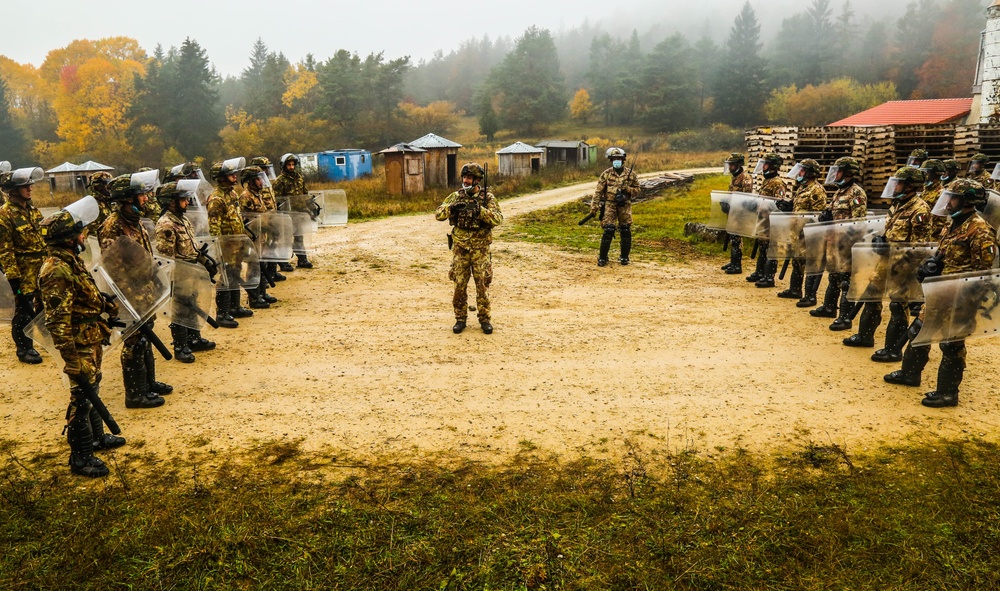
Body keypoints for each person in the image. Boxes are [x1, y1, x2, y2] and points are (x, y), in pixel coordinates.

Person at [884, 179, 998, 407]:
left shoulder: (980, 230)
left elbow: (982, 273)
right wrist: (930, 267)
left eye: (953, 198)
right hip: (941, 290)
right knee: (918, 331)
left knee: (951, 344)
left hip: (961, 295)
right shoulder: (952, 223)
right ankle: (910, 374)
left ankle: (948, 393)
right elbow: (943, 254)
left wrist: (968, 301)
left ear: (967, 201)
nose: (947, 201)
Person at [38, 206, 125, 477]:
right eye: (79, 232)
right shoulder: (56, 269)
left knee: (93, 389)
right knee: (81, 398)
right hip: (77, 342)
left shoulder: (70, 261)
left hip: (90, 336)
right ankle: (81, 456)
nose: (83, 236)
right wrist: (70, 358)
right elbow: (57, 320)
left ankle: (97, 439)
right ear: (68, 237)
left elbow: (84, 294)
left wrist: (104, 304)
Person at [99, 172, 169, 409]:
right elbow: (113, 270)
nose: (146, 199)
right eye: (141, 195)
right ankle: (135, 394)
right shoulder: (111, 227)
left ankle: (148, 383)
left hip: (144, 292)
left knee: (146, 338)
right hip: (130, 297)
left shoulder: (134, 221)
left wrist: (155, 279)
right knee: (134, 342)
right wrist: (130, 302)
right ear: (128, 199)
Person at [843, 166, 933, 350]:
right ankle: (865, 337)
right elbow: (893, 233)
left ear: (910, 186)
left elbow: (919, 248)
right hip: (884, 263)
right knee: (871, 297)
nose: (895, 186)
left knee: (898, 306)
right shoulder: (897, 204)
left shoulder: (920, 210)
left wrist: (893, 253)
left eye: (899, 183)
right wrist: (881, 240)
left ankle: (892, 349)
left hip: (902, 266)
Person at [435, 162, 503, 334]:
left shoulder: (488, 198)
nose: (465, 180)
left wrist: (480, 211)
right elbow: (438, 214)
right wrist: (451, 209)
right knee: (459, 285)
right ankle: (460, 318)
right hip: (460, 248)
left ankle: (485, 319)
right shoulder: (455, 196)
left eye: (469, 178)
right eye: (464, 177)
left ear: (477, 180)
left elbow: (498, 219)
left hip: (480, 249)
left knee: (482, 285)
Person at [154, 182, 218, 362]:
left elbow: (191, 246)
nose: (187, 202)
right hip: (178, 274)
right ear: (171, 202)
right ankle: (181, 346)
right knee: (180, 310)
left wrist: (203, 261)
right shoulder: (166, 224)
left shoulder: (182, 219)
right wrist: (172, 281)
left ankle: (194, 339)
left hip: (190, 271)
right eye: (182, 199)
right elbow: (167, 258)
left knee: (192, 303)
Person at [810, 156, 867, 330]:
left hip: (847, 244)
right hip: (834, 241)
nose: (836, 174)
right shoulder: (839, 192)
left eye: (839, 171)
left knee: (845, 280)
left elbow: (859, 221)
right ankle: (828, 308)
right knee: (833, 276)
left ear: (849, 173)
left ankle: (845, 317)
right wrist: (825, 217)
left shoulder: (856, 193)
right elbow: (831, 211)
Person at [0, 167, 46, 364]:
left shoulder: (34, 211)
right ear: (12, 190)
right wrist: (13, 277)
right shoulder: (4, 215)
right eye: (25, 185)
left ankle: (46, 340)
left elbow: (45, 236)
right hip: (22, 270)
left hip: (41, 268)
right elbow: (5, 249)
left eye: (30, 184)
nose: (30, 188)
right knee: (23, 311)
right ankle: (24, 349)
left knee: (44, 306)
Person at [207, 158, 252, 328]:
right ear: (221, 177)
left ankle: (235, 307)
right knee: (225, 277)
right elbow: (214, 227)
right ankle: (222, 313)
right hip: (225, 246)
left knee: (235, 273)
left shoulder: (232, 194)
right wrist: (218, 249)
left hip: (236, 243)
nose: (235, 176)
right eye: (230, 174)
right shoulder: (216, 199)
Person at [778, 158, 828, 304]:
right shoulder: (802, 188)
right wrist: (787, 207)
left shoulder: (817, 190)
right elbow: (797, 207)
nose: (799, 173)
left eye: (802, 170)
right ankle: (795, 289)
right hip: (798, 233)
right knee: (798, 261)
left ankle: (810, 296)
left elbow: (818, 215)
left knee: (811, 264)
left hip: (809, 234)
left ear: (810, 173)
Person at [589, 147, 640, 267]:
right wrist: (594, 207)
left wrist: (628, 189)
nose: (617, 161)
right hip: (610, 205)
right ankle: (602, 257)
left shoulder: (631, 175)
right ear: (611, 160)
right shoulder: (606, 174)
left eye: (619, 159)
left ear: (623, 160)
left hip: (625, 205)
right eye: (614, 159)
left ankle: (624, 257)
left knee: (625, 230)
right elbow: (598, 192)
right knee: (608, 229)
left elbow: (638, 190)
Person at [238, 165, 277, 308]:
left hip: (262, 236)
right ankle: (254, 298)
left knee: (262, 264)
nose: (262, 182)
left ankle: (262, 292)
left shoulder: (258, 194)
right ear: (250, 181)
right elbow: (246, 220)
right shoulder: (246, 197)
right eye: (258, 179)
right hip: (253, 237)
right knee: (254, 266)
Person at [747, 153, 788, 288]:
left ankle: (769, 277)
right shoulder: (767, 181)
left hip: (771, 223)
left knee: (771, 249)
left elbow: (778, 204)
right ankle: (760, 273)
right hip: (763, 221)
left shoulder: (777, 183)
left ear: (772, 166)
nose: (763, 167)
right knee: (762, 247)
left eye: (765, 164)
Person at [272, 153, 313, 270]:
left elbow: (304, 194)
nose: (291, 167)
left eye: (292, 165)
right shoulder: (280, 181)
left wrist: (309, 207)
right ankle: (283, 261)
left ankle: (302, 260)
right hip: (286, 215)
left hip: (299, 213)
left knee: (299, 237)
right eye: (289, 165)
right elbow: (277, 200)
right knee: (285, 239)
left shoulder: (299, 178)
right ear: (284, 166)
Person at [249, 156, 285, 282]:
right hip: (263, 224)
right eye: (264, 169)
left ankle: (272, 273)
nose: (267, 171)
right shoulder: (255, 188)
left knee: (272, 246)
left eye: (267, 168)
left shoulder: (267, 184)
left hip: (271, 219)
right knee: (264, 251)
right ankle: (267, 277)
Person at [722, 153, 753, 274]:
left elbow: (747, 197)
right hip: (732, 212)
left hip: (740, 213)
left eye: (732, 165)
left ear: (739, 165)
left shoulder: (745, 177)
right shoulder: (734, 177)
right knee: (732, 237)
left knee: (737, 239)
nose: (730, 167)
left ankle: (737, 265)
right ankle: (733, 261)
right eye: (729, 165)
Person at [919, 159, 950, 241]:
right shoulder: (925, 191)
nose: (924, 176)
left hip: (933, 237)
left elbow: (938, 221)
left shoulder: (942, 194)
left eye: (926, 173)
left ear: (935, 174)